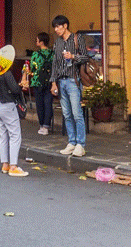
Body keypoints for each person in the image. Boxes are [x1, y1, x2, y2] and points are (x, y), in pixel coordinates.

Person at [50, 15, 88, 157]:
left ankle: (81, 144)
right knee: (66, 114)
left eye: (58, 26)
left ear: (65, 26)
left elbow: (85, 57)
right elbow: (55, 63)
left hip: (73, 80)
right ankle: (71, 142)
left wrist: (73, 57)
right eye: (55, 27)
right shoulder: (58, 42)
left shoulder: (78, 39)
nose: (56, 29)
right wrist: (53, 82)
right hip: (61, 81)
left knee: (77, 113)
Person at [0, 44, 29, 177]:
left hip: (0, 107)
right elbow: (15, 90)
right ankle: (13, 166)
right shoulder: (7, 73)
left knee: (4, 136)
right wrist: (21, 86)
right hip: (9, 107)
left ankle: (5, 164)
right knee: (15, 136)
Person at [29, 32, 54, 135]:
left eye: (37, 40)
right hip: (50, 82)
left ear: (41, 42)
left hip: (38, 82)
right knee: (48, 104)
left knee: (40, 105)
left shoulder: (36, 54)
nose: (36, 41)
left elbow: (33, 68)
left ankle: (41, 125)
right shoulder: (53, 54)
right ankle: (46, 126)